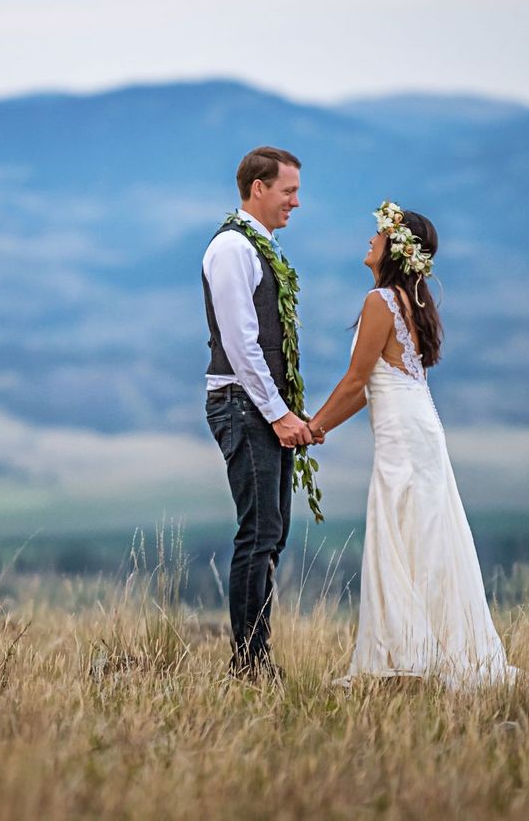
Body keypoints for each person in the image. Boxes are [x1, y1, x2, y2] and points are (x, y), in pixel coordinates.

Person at [305, 202, 529, 702]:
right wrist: (320, 427)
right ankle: (410, 656)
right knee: (416, 536)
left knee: (405, 535)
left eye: (377, 235)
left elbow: (357, 379)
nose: (369, 241)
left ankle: (410, 660)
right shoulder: (406, 301)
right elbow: (364, 389)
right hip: (415, 430)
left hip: (405, 437)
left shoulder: (381, 300)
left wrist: (311, 427)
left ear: (395, 249)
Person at [202, 146, 313, 680]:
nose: (296, 201)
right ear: (258, 188)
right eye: (288, 190)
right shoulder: (231, 248)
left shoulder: (261, 247)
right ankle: (249, 664)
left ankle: (256, 657)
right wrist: (276, 413)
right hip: (243, 406)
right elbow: (242, 342)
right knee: (258, 532)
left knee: (272, 532)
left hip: (262, 407)